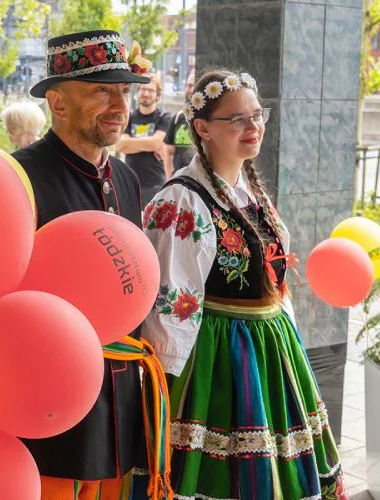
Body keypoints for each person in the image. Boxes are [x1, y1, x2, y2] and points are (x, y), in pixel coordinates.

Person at [141, 69, 349, 499]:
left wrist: (286, 335)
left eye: (257, 115)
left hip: (270, 349)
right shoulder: (182, 200)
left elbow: (273, 279)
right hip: (217, 357)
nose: (252, 127)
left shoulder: (249, 191)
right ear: (202, 128)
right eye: (237, 119)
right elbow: (172, 302)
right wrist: (166, 392)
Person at [12, 30, 171, 500]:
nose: (120, 104)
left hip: (119, 391)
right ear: (58, 103)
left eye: (124, 91)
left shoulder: (124, 176)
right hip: (51, 392)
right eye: (101, 91)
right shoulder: (20, 176)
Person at [115, 74, 172, 206]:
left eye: (150, 90)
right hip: (130, 184)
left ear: (158, 95)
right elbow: (119, 145)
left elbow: (156, 143)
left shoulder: (164, 118)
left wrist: (130, 144)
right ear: (138, 92)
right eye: (142, 89)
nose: (146, 93)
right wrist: (150, 145)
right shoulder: (129, 117)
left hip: (155, 186)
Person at [163, 69, 196, 173]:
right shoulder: (178, 117)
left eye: (194, 85)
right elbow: (168, 151)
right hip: (179, 182)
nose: (190, 89)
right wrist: (169, 179)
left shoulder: (210, 120)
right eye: (189, 85)